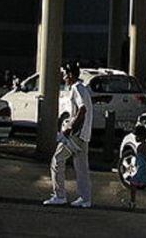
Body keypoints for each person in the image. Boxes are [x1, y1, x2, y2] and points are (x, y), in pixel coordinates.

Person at [43, 62, 93, 208]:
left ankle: (59, 195)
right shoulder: (83, 88)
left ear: (70, 75)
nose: (64, 77)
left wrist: (70, 129)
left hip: (75, 136)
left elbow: (82, 110)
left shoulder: (76, 88)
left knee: (57, 161)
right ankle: (85, 199)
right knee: (81, 168)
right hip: (84, 136)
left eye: (65, 74)